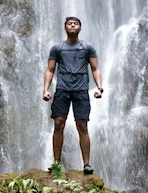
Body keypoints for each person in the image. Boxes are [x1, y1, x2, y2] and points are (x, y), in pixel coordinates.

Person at [42, 16, 103, 174]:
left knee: (82, 125)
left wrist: (99, 87)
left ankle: (87, 164)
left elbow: (95, 69)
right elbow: (50, 70)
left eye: (75, 24)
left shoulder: (87, 47)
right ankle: (56, 163)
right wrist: (45, 90)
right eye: (70, 23)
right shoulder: (57, 48)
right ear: (65, 28)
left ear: (80, 28)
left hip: (81, 90)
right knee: (58, 124)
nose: (73, 26)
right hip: (62, 89)